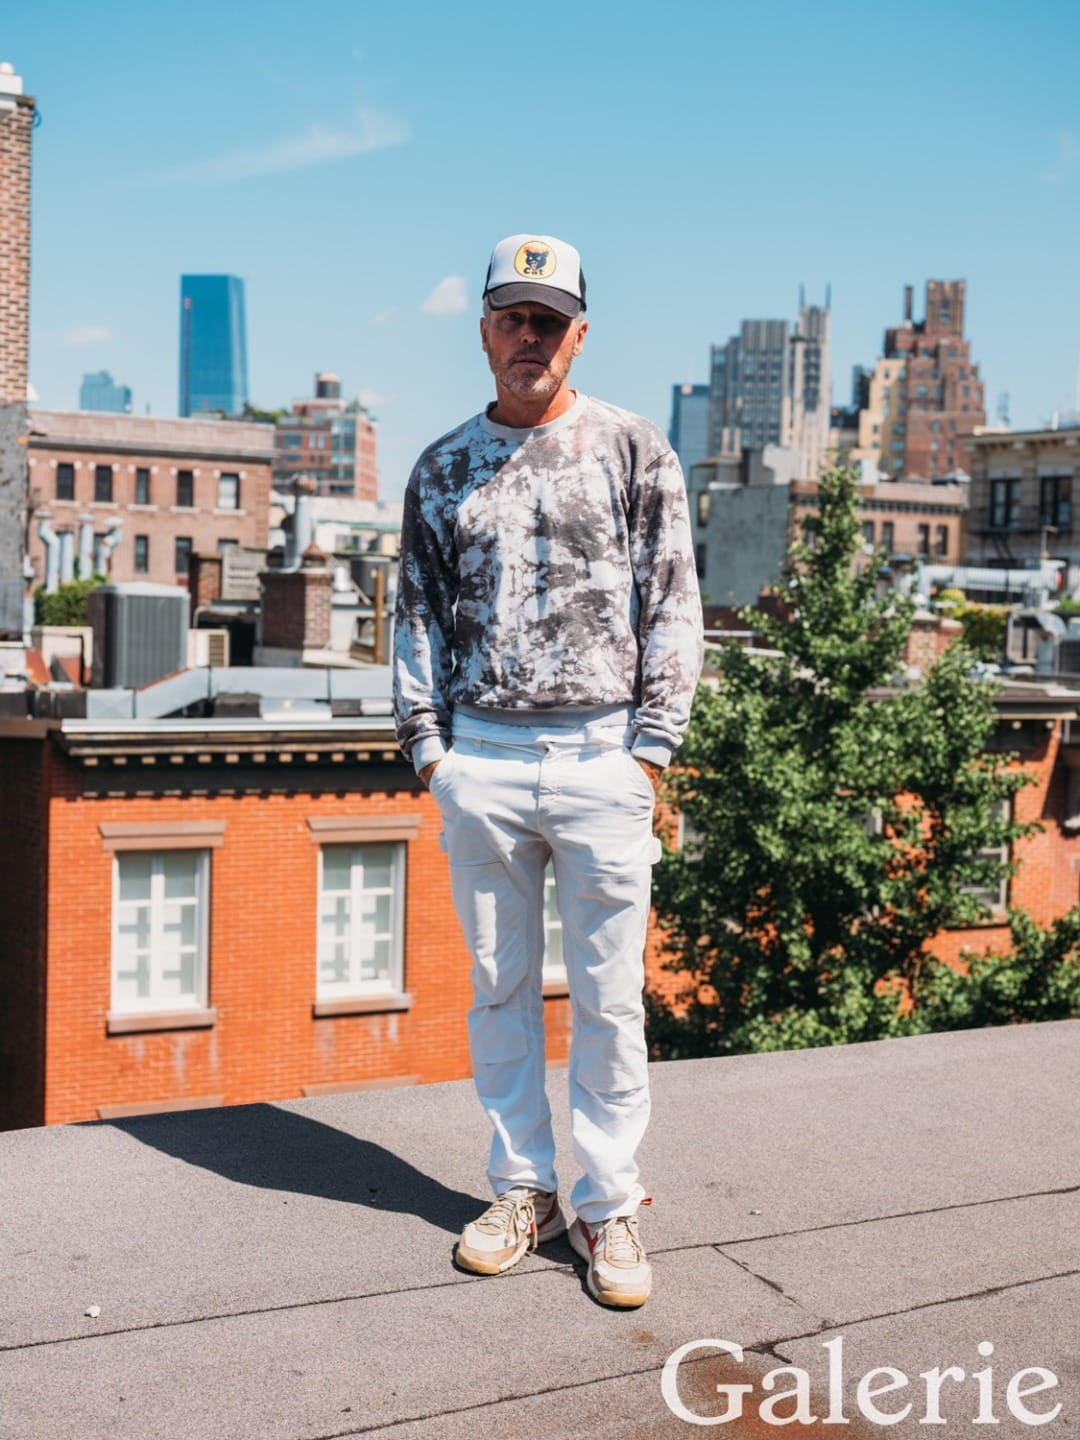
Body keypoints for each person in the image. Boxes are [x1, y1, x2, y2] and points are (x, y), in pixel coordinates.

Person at [392, 233, 703, 1308]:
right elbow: (415, 615)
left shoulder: (632, 447)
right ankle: (522, 1188)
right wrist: (430, 751)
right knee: (498, 987)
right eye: (510, 317)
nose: (528, 337)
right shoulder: (441, 466)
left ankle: (607, 1203)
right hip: (480, 754)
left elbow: (674, 599)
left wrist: (652, 749)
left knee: (613, 1000)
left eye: (548, 319)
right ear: (483, 329)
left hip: (600, 752)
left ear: (579, 333)